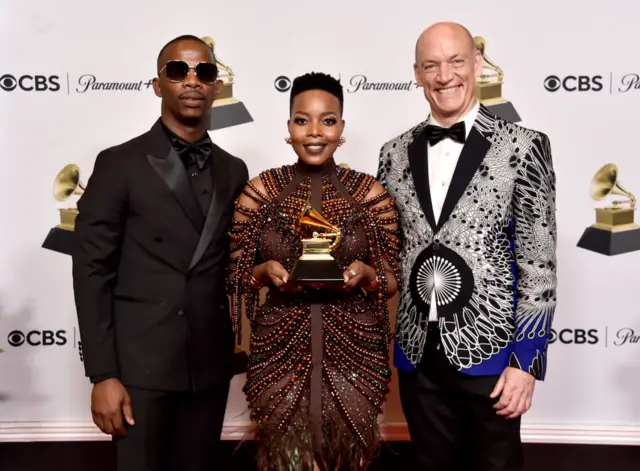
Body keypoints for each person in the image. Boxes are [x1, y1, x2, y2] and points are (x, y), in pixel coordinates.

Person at [376, 22, 558, 470]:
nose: (445, 76)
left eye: (456, 61)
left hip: (493, 355)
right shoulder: (392, 153)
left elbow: (540, 266)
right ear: (416, 73)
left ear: (477, 64)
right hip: (418, 356)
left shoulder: (523, 146)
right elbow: (387, 251)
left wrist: (526, 361)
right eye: (431, 66)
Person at [71, 35, 248, 471]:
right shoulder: (119, 163)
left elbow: (234, 263)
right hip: (139, 370)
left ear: (217, 87)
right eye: (177, 71)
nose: (192, 81)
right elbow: (91, 272)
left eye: (204, 72)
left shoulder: (234, 169)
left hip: (208, 368)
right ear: (157, 84)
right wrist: (103, 375)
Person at [228, 72, 402, 471]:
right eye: (302, 119)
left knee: (347, 459)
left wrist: (368, 276)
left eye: (328, 120)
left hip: (357, 356)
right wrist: (262, 273)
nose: (314, 131)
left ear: (341, 128)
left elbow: (393, 281)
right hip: (279, 353)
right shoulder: (262, 192)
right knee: (285, 460)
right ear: (289, 127)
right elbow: (233, 274)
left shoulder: (369, 194)